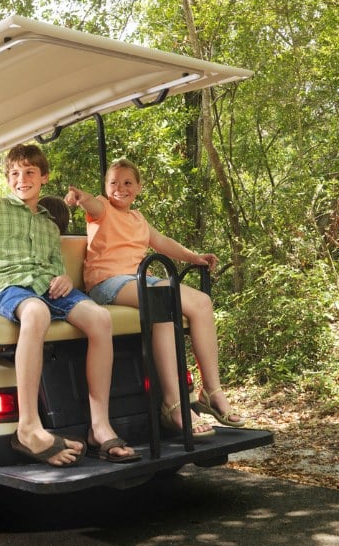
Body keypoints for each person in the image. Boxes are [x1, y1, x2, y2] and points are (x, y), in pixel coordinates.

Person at [0, 143, 139, 467]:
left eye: (30, 172)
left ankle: (99, 426)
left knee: (100, 318)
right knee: (36, 311)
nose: (22, 179)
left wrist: (66, 280)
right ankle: (28, 427)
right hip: (7, 286)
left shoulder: (48, 224)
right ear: (7, 179)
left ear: (44, 177)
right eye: (15, 173)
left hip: (50, 287)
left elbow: (56, 268)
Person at [65, 159, 248, 434]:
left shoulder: (138, 219)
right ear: (105, 187)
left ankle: (212, 391)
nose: (120, 188)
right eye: (113, 182)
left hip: (140, 280)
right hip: (107, 283)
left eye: (127, 183)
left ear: (138, 187)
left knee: (201, 302)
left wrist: (194, 257)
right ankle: (174, 405)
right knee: (163, 297)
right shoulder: (102, 209)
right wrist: (81, 198)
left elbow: (162, 243)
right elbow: (91, 204)